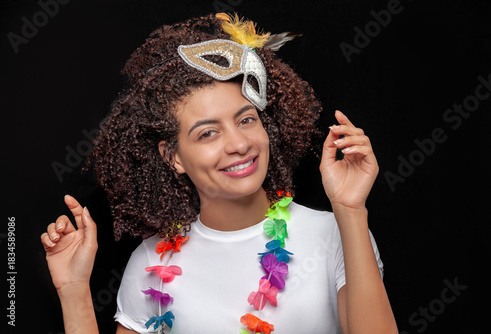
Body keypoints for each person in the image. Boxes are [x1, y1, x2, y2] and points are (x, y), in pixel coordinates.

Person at [41, 13, 398, 334]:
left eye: (246, 120)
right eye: (208, 133)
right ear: (174, 157)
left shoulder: (333, 234)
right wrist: (74, 293)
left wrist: (350, 210)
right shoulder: (153, 263)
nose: (239, 144)